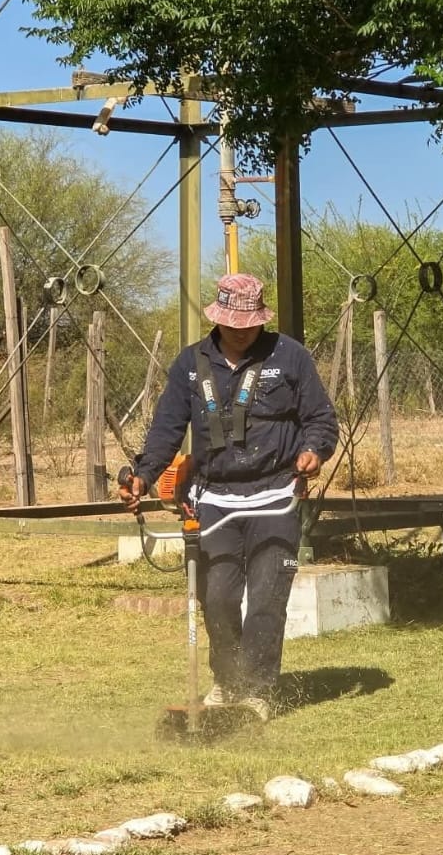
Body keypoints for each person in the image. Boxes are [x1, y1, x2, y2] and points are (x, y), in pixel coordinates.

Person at [121, 273, 338, 721]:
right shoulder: (189, 364)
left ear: (261, 318)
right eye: (234, 322)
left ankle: (257, 691)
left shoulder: (289, 356)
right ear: (218, 318)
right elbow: (166, 430)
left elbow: (321, 419)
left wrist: (314, 451)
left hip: (276, 496)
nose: (243, 329)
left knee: (266, 598)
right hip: (213, 500)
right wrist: (144, 476)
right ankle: (227, 682)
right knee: (217, 596)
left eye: (250, 322)